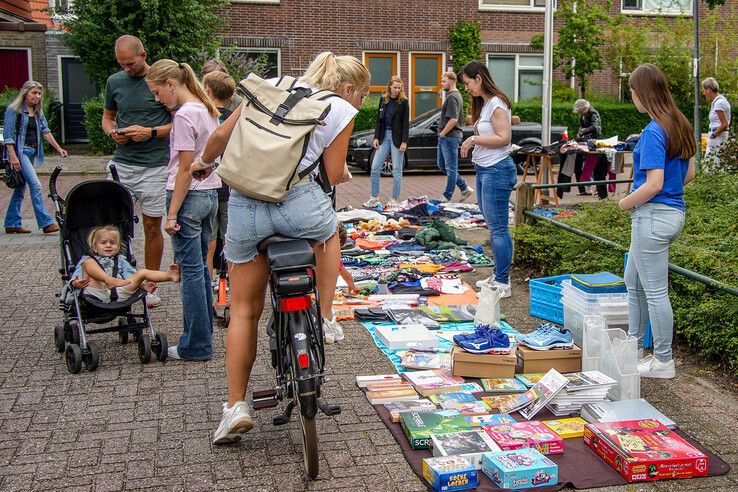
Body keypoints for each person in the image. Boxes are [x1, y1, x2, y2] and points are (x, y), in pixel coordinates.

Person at [191, 52, 369, 444]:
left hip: (247, 205)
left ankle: (235, 406)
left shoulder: (272, 86)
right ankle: (323, 316)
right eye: (361, 97)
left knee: (243, 310)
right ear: (348, 88)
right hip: (299, 206)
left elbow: (220, 138)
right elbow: (336, 172)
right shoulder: (338, 107)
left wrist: (201, 165)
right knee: (330, 232)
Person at [618, 63, 696, 379]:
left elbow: (653, 184)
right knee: (633, 281)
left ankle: (663, 361)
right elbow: (689, 173)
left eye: (633, 91)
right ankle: (634, 348)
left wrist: (625, 203)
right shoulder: (680, 124)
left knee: (654, 292)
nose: (632, 96)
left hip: (651, 217)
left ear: (643, 93)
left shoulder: (652, 132)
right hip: (673, 214)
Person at [145, 59, 221, 361]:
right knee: (201, 269)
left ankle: (196, 344)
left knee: (190, 272)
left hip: (189, 199)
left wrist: (172, 212)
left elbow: (185, 169)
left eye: (156, 92)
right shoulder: (206, 110)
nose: (156, 99)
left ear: (171, 85)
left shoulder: (184, 116)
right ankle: (203, 338)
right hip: (210, 195)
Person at [102, 35, 172, 307]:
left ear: (144, 55)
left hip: (155, 165)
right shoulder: (115, 82)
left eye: (130, 64)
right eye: (122, 64)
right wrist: (112, 134)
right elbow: (108, 117)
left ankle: (150, 284)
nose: (126, 69)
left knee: (152, 226)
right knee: (113, 226)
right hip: (123, 163)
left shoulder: (161, 81)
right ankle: (116, 281)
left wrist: (151, 132)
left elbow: (180, 122)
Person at [459, 60, 516, 298]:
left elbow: (504, 137)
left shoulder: (496, 103)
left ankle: (503, 282)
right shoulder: (485, 104)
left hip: (497, 170)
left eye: (468, 83)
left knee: (499, 228)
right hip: (485, 169)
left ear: (479, 78)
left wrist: (473, 140)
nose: (467, 88)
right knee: (494, 227)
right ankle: (498, 274)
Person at [3, 80, 66, 234]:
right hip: (20, 153)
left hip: (31, 153)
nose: (37, 96)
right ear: (25, 93)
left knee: (20, 188)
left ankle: (12, 223)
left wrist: (58, 148)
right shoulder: (14, 110)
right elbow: (8, 136)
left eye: (39, 93)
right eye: (34, 93)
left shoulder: (38, 111)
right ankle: (46, 223)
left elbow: (45, 131)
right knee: (36, 186)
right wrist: (13, 156)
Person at [71, 225, 180, 302]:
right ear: (94, 247)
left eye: (113, 243)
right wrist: (75, 283)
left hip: (120, 291)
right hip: (97, 291)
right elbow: (77, 274)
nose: (108, 245)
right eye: (103, 243)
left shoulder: (121, 259)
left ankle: (170, 276)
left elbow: (130, 275)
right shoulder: (88, 259)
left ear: (118, 247)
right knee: (87, 264)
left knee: (142, 272)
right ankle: (108, 280)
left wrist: (141, 284)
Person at [202, 71, 236, 285]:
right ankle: (233, 282)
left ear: (207, 90)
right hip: (229, 184)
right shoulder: (236, 117)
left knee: (209, 239)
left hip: (205, 183)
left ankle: (208, 279)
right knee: (230, 238)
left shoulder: (204, 115)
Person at [363, 75, 409, 208]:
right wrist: (376, 137)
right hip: (383, 137)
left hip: (397, 139)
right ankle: (374, 198)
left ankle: (394, 200)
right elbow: (379, 120)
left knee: (396, 170)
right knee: (375, 168)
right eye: (395, 87)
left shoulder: (404, 102)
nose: (397, 90)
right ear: (389, 87)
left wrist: (404, 141)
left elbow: (406, 123)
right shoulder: (383, 100)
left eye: (399, 88)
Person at [437, 71, 473, 203]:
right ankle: (464, 187)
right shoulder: (453, 96)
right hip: (446, 137)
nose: (442, 84)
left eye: (444, 81)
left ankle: (447, 196)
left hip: (450, 137)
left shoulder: (453, 97)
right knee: (442, 165)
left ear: (452, 81)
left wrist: (442, 133)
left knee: (451, 168)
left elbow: (453, 119)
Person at [573, 99, 608, 199]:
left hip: (596, 141)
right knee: (580, 164)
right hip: (587, 141)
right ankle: (584, 188)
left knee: (597, 166)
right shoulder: (583, 115)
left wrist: (583, 132)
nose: (579, 113)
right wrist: (580, 134)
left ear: (585, 108)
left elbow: (595, 126)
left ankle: (600, 192)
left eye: (580, 111)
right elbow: (582, 127)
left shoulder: (593, 113)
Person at [701, 77, 731, 170]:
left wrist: (713, 135)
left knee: (711, 167)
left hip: (717, 138)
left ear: (709, 90)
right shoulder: (719, 101)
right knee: (713, 165)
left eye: (704, 90)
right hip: (717, 137)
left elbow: (724, 124)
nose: (704, 93)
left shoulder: (719, 103)